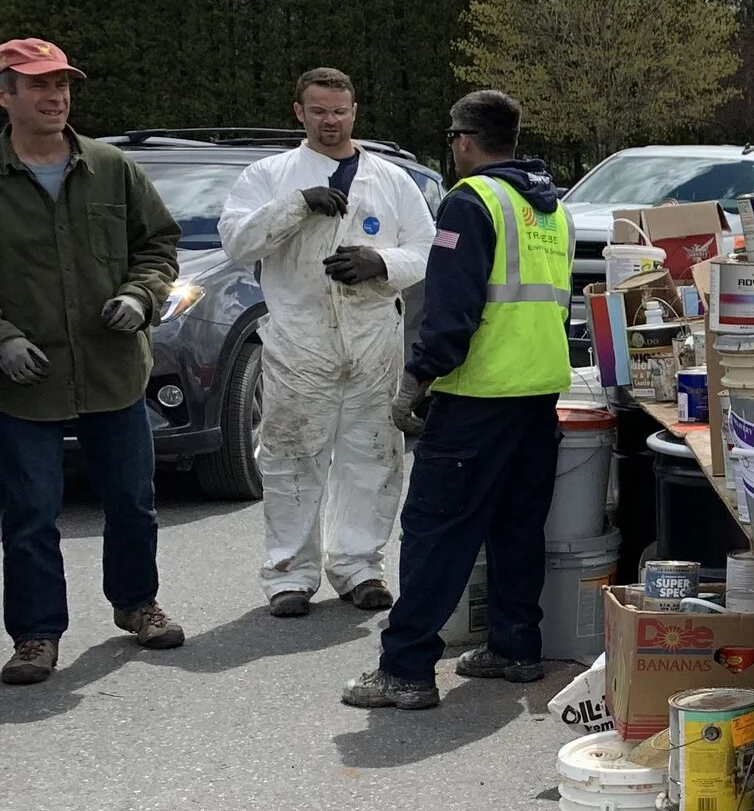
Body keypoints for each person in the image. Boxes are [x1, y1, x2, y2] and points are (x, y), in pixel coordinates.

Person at [343, 90, 572, 710]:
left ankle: (406, 668)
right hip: (537, 391)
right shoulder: (549, 207)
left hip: (477, 395)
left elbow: (452, 312)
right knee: (515, 525)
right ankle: (514, 647)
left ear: (463, 139)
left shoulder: (471, 201)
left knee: (435, 530)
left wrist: (416, 379)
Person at [0, 38, 186, 684]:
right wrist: (2, 335)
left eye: (63, 86)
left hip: (112, 370)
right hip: (23, 382)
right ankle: (35, 635)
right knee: (29, 513)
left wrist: (140, 294)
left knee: (133, 501)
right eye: (38, 86)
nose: (55, 97)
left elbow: (160, 245)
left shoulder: (112, 167)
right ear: (6, 96)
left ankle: (137, 604)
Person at [218, 68, 435, 618]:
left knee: (373, 458)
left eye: (339, 111)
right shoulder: (270, 175)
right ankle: (289, 573)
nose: (330, 121)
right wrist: (294, 206)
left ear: (355, 111)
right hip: (300, 340)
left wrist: (380, 262)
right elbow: (238, 243)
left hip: (371, 339)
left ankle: (359, 566)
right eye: (318, 111)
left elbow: (427, 248)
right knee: (293, 456)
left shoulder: (390, 179)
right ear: (299, 113)